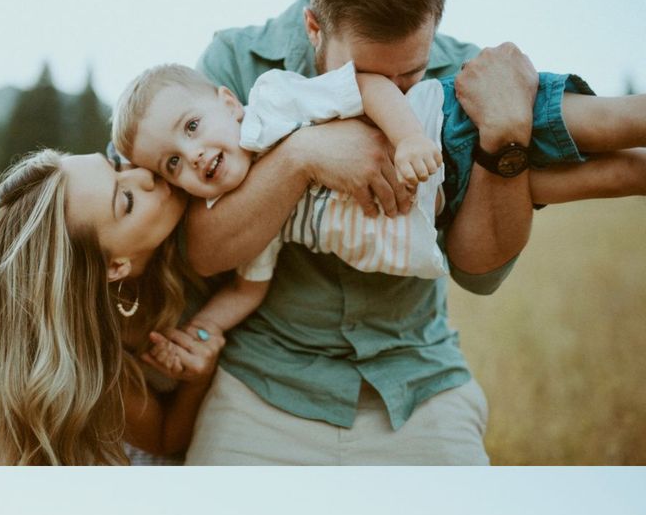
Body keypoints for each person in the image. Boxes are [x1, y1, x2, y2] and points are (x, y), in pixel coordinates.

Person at [132, 0, 638, 465]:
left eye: (412, 73)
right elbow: (206, 251)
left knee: (576, 134)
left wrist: (504, 140)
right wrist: (306, 157)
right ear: (314, 26)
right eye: (372, 76)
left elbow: (480, 272)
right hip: (265, 382)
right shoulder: (237, 70)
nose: (392, 91)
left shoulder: (463, 73)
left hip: (417, 379)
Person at [112, 57, 644, 344]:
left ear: (228, 103)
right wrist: (198, 331)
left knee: (612, 122)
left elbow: (364, 86)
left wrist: (412, 137)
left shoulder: (275, 102)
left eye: (192, 126)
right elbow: (249, 291)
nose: (194, 154)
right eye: (172, 164)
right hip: (458, 204)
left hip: (450, 130)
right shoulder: (251, 217)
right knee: (618, 177)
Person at [0, 149, 225, 465]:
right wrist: (197, 380)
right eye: (127, 202)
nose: (145, 175)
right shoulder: (97, 355)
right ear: (115, 266)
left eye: (116, 166)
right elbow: (162, 435)